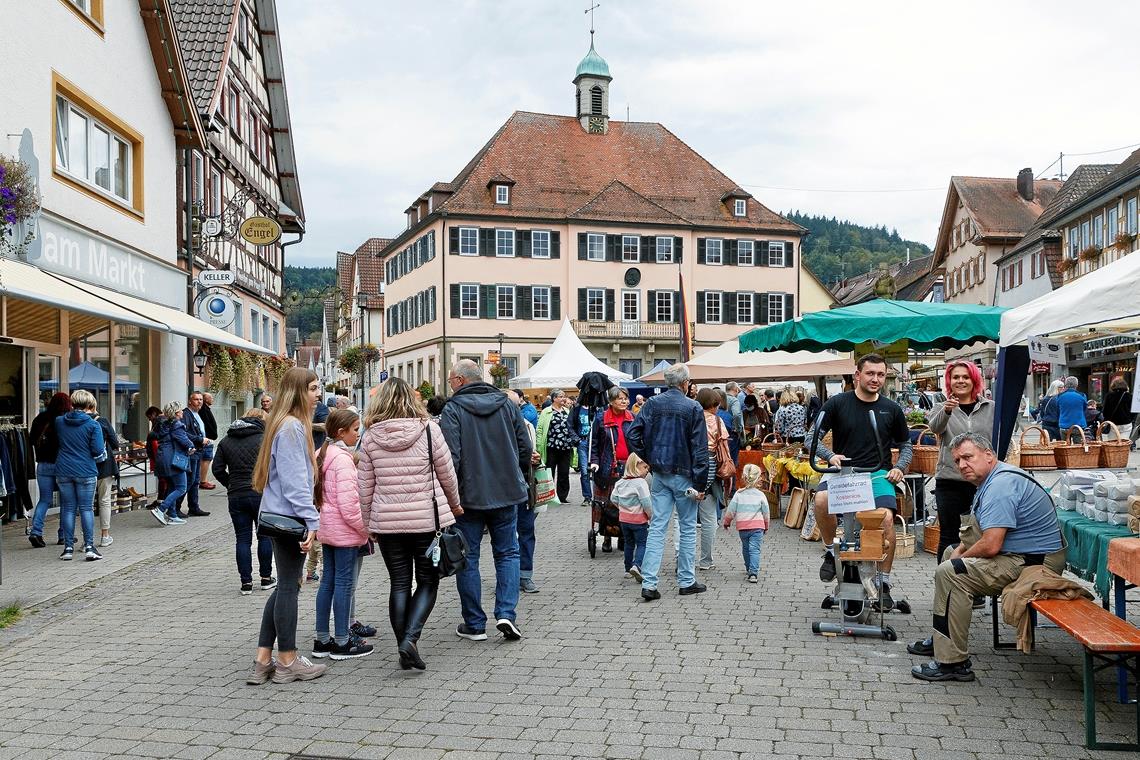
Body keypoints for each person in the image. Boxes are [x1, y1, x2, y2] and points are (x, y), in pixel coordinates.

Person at [908, 433, 1064, 682]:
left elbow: (991, 545)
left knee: (952, 572)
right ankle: (943, 638)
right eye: (958, 460)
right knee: (951, 553)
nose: (962, 465)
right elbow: (979, 537)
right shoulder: (993, 479)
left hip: (1036, 564)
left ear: (989, 455)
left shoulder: (1000, 486)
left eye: (968, 457)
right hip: (1022, 555)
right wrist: (959, 553)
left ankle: (952, 664)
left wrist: (960, 559)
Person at [361, 379, 464, 668]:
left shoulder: (370, 436)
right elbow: (447, 473)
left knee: (399, 584)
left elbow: (365, 485)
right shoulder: (429, 430)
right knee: (429, 581)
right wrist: (455, 505)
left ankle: (403, 648)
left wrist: (368, 522)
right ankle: (410, 639)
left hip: (388, 522)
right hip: (425, 521)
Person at [807, 353, 912, 609]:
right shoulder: (837, 404)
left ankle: (883, 581)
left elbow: (906, 445)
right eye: (870, 373)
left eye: (880, 374)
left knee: (886, 518)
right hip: (846, 471)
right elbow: (812, 436)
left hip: (877, 472)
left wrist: (899, 467)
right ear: (857, 375)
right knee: (821, 500)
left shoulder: (891, 408)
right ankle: (832, 552)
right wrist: (830, 456)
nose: (876, 379)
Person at [440, 359, 531, 642]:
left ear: (459, 380)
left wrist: (450, 496)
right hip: (507, 492)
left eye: (451, 380)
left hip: (469, 497)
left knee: (469, 557)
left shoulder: (452, 410)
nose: (450, 384)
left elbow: (450, 458)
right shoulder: (507, 405)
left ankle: (474, 623)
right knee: (508, 553)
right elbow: (525, 446)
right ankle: (506, 613)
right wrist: (515, 471)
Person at [247, 367, 326, 685]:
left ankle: (263, 658)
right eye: (313, 388)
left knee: (284, 586)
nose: (318, 394)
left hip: (278, 515)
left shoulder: (282, 424)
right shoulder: (293, 428)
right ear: (298, 392)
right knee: (289, 587)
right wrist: (312, 521)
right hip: (290, 517)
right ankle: (287, 660)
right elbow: (296, 485)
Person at [626, 362, 709, 600]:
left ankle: (649, 583)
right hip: (684, 474)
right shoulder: (692, 407)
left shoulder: (652, 404)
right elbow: (700, 449)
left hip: (660, 473)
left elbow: (633, 434)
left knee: (657, 528)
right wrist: (701, 484)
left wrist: (649, 457)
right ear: (685, 383)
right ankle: (686, 580)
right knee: (687, 528)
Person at [311, 409, 373, 661]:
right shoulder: (343, 460)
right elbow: (350, 505)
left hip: (327, 528)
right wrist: (366, 529)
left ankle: (322, 638)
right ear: (341, 432)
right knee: (344, 585)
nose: (358, 433)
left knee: (327, 582)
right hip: (346, 532)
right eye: (355, 429)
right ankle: (342, 640)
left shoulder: (322, 454)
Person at [926, 360, 994, 562]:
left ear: (974, 379)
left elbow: (1003, 437)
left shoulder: (990, 407)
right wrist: (947, 411)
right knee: (949, 535)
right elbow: (935, 429)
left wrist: (997, 463)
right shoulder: (941, 407)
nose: (961, 381)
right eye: (956, 377)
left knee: (982, 534)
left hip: (984, 482)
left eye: (965, 376)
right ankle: (945, 582)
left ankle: (974, 584)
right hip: (950, 481)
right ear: (949, 381)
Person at [212, 408, 276, 595]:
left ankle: (246, 582)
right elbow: (274, 466)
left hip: (236, 495)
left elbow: (217, 469)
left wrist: (230, 484)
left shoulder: (226, 441)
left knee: (242, 539)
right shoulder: (264, 439)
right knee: (264, 536)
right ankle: (265, 578)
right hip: (260, 493)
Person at [54, 389, 106, 562]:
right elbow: (98, 451)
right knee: (86, 508)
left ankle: (68, 548)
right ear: (89, 405)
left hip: (63, 469)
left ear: (73, 403)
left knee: (68, 508)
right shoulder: (93, 425)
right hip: (85, 470)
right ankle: (89, 547)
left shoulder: (59, 422)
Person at [589, 387, 635, 553]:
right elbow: (593, 444)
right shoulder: (601, 419)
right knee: (606, 503)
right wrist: (594, 462)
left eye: (625, 398)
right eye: (619, 398)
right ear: (610, 401)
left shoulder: (632, 418)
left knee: (626, 503)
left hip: (629, 468)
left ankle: (623, 535)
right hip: (607, 467)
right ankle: (607, 535)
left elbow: (637, 443)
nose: (624, 401)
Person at [506, 390, 543, 594]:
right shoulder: (496, 427)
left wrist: (535, 458)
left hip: (525, 484)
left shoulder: (527, 426)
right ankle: (507, 578)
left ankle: (525, 575)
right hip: (503, 488)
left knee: (527, 531)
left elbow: (533, 453)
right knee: (506, 536)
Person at [27, 392, 72, 548]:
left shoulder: (39, 419)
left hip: (43, 465)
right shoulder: (65, 420)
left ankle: (36, 532)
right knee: (66, 502)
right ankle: (64, 536)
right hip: (62, 465)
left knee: (44, 500)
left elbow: (32, 440)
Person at [695, 388, 728, 572]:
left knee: (684, 518)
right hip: (710, 467)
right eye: (716, 405)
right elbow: (723, 446)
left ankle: (681, 559)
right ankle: (706, 560)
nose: (717, 408)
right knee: (708, 519)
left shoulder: (691, 417)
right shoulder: (717, 420)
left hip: (689, 467)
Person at [721, 463, 769, 583]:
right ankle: (753, 572)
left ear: (744, 477)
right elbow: (766, 512)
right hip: (758, 527)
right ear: (758, 479)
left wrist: (727, 522)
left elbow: (731, 510)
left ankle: (748, 567)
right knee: (755, 549)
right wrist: (766, 525)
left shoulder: (738, 494)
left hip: (743, 528)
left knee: (746, 548)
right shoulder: (761, 495)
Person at [610, 453, 651, 581]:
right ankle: (637, 565)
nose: (647, 471)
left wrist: (622, 508)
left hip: (624, 520)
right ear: (636, 466)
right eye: (645, 468)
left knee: (629, 544)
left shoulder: (620, 482)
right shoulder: (640, 483)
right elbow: (646, 503)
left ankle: (627, 569)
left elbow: (613, 498)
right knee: (642, 543)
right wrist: (650, 516)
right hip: (639, 520)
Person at [151, 402, 192, 526]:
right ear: (176, 413)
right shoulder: (177, 425)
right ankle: (161, 509)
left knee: (172, 487)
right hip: (174, 460)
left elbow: (153, 436)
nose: (182, 412)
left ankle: (172, 514)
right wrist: (191, 446)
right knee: (181, 487)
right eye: (180, 410)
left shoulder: (161, 424)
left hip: (162, 458)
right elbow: (183, 440)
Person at [536, 389, 576, 505]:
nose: (563, 398)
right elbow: (539, 429)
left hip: (565, 447)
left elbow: (571, 427)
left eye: (564, 396)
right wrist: (538, 445)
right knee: (550, 472)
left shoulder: (567, 411)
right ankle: (549, 496)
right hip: (551, 447)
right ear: (554, 399)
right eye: (560, 396)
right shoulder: (546, 412)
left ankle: (562, 496)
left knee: (564, 473)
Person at [177, 392, 210, 518]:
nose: (199, 402)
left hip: (198, 450)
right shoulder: (186, 414)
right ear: (190, 401)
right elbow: (184, 433)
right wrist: (199, 439)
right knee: (189, 480)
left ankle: (194, 507)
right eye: (196, 399)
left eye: (201, 399)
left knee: (195, 481)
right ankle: (176, 507)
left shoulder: (197, 414)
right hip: (191, 451)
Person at [91, 405, 120, 548]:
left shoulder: (68, 421)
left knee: (86, 505)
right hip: (104, 466)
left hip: (85, 467)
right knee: (104, 500)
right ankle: (105, 535)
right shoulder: (101, 421)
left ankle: (87, 540)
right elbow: (115, 443)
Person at [569, 394, 595, 506]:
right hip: (583, 442)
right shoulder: (576, 409)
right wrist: (577, 440)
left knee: (596, 470)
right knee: (584, 471)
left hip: (595, 442)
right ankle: (587, 496)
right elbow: (569, 425)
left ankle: (598, 496)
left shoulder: (597, 409)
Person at [1101, 376, 1133, 442]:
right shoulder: (1129, 396)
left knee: (1113, 445)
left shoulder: (1109, 396)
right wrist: (1130, 418)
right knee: (1124, 445)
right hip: (1126, 424)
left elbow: (1105, 412)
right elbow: (1133, 412)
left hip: (1113, 424)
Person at [198, 392, 218, 489]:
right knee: (206, 458)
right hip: (207, 439)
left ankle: (203, 480)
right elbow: (206, 424)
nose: (212, 399)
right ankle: (203, 481)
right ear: (206, 399)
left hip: (208, 438)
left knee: (207, 458)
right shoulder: (203, 410)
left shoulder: (205, 409)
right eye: (210, 398)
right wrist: (210, 436)